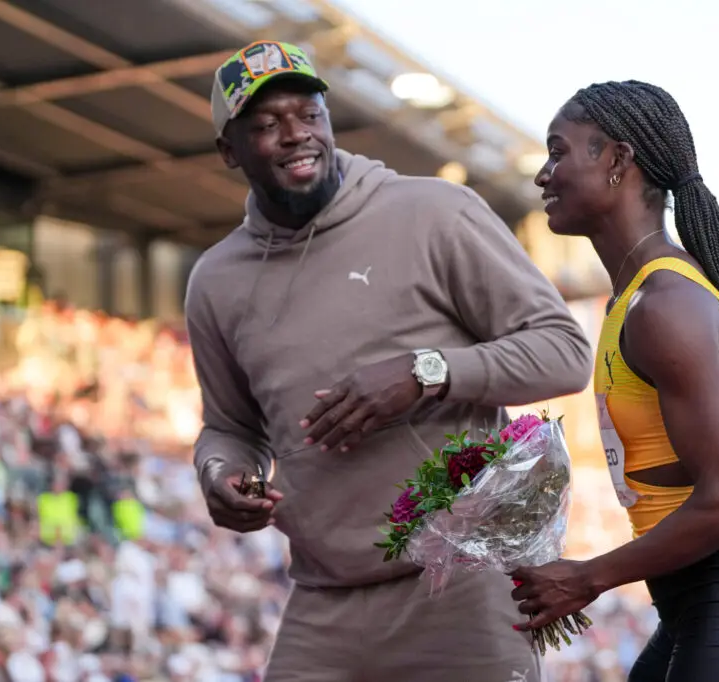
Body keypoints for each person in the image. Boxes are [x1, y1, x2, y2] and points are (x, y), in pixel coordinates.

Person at [185, 41, 593, 682]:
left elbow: (564, 352)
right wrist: (220, 471)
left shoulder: (434, 211)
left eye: (309, 114)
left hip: (461, 586)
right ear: (229, 151)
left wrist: (425, 373)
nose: (296, 135)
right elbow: (230, 427)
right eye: (266, 124)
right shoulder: (216, 280)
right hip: (324, 601)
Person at [509, 81, 719, 681]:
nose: (542, 175)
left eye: (558, 152)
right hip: (695, 604)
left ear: (617, 159)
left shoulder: (665, 305)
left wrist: (588, 577)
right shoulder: (632, 301)